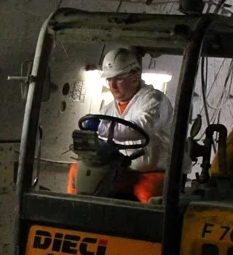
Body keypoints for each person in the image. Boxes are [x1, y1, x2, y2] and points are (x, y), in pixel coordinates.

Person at [67, 47, 174, 203]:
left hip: (154, 172)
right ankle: (73, 214)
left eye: (118, 78)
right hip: (120, 171)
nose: (112, 85)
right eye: (109, 80)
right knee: (77, 171)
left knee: (146, 190)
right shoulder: (109, 109)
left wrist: (101, 126)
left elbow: (140, 127)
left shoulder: (155, 100)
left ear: (135, 77)